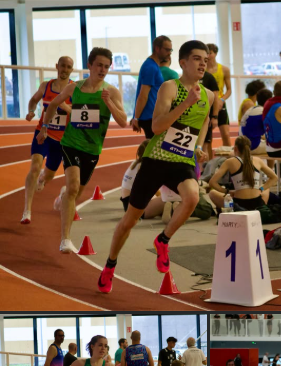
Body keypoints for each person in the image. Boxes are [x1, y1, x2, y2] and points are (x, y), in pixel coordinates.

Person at [98, 40, 213, 293]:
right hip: (157, 159)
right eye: (196, 59)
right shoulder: (169, 87)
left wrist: (198, 146)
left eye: (205, 60)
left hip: (182, 160)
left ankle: (163, 240)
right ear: (183, 63)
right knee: (130, 220)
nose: (203, 63)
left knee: (192, 198)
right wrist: (186, 103)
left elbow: (204, 122)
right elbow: (157, 126)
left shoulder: (209, 95)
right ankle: (109, 265)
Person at [41, 47, 128, 253]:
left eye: (106, 66)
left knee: (77, 192)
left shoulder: (111, 92)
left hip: (92, 149)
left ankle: (63, 198)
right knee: (72, 187)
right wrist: (44, 127)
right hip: (70, 144)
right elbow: (53, 104)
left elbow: (123, 121)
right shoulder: (74, 88)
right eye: (99, 65)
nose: (102, 70)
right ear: (89, 65)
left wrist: (108, 102)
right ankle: (65, 239)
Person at [21, 56, 74, 225]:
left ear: (72, 70)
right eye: (62, 66)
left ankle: (42, 179)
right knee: (35, 166)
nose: (65, 69)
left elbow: (79, 114)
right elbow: (33, 100)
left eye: (68, 67)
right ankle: (27, 211)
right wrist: (31, 111)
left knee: (49, 174)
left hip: (61, 140)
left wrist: (65, 107)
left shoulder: (74, 89)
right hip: (43, 134)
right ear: (57, 66)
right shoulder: (46, 86)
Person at [208, 135, 278, 210]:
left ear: (235, 149)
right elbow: (274, 178)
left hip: (239, 204)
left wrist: (227, 191)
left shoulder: (230, 162)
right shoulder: (258, 160)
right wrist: (261, 189)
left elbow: (212, 182)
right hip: (257, 204)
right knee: (266, 189)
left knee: (212, 193)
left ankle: (230, 209)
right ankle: (261, 208)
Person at [131, 35, 171, 138]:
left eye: (171, 50)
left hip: (152, 116)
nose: (169, 53)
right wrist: (136, 118)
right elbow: (143, 95)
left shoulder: (154, 66)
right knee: (154, 147)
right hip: (150, 117)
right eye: (167, 50)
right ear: (157, 48)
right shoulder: (150, 67)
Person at [120, 139, 167, 218]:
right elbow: (154, 190)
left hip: (130, 206)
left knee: (167, 198)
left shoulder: (135, 163)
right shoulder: (145, 166)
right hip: (138, 209)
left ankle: (168, 211)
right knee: (171, 198)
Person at [206, 43, 232, 146]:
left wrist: (222, 100)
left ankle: (229, 155)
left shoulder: (224, 70)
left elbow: (229, 90)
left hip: (220, 103)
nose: (208, 56)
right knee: (208, 137)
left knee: (226, 134)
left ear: (215, 54)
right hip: (207, 104)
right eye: (206, 53)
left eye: (210, 53)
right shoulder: (202, 70)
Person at [200, 67, 221, 161]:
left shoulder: (209, 77)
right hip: (195, 118)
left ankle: (205, 168)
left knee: (204, 147)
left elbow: (216, 98)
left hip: (206, 117)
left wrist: (214, 116)